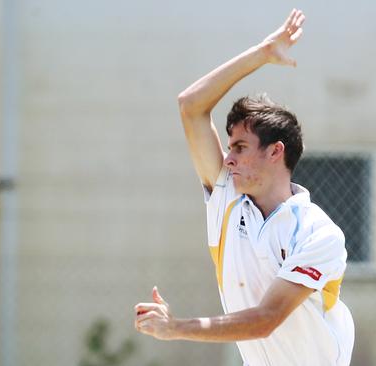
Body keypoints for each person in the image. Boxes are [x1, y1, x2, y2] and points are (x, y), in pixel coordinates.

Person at [134, 9, 354, 366]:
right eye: (229, 147)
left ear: (275, 152)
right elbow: (191, 106)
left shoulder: (319, 234)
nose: (229, 158)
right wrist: (263, 54)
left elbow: (266, 319)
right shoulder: (227, 196)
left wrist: (175, 327)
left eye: (239, 147)